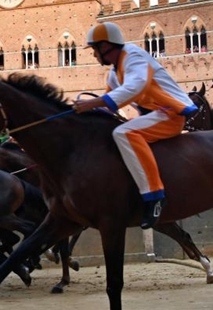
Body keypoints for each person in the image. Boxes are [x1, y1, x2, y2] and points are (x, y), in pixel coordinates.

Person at [73, 22, 197, 229]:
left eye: (95, 49)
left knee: (124, 133)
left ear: (105, 47)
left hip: (171, 115)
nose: (94, 55)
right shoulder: (113, 73)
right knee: (116, 131)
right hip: (155, 116)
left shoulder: (134, 56)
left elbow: (135, 86)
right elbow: (108, 103)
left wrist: (93, 104)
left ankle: (155, 196)